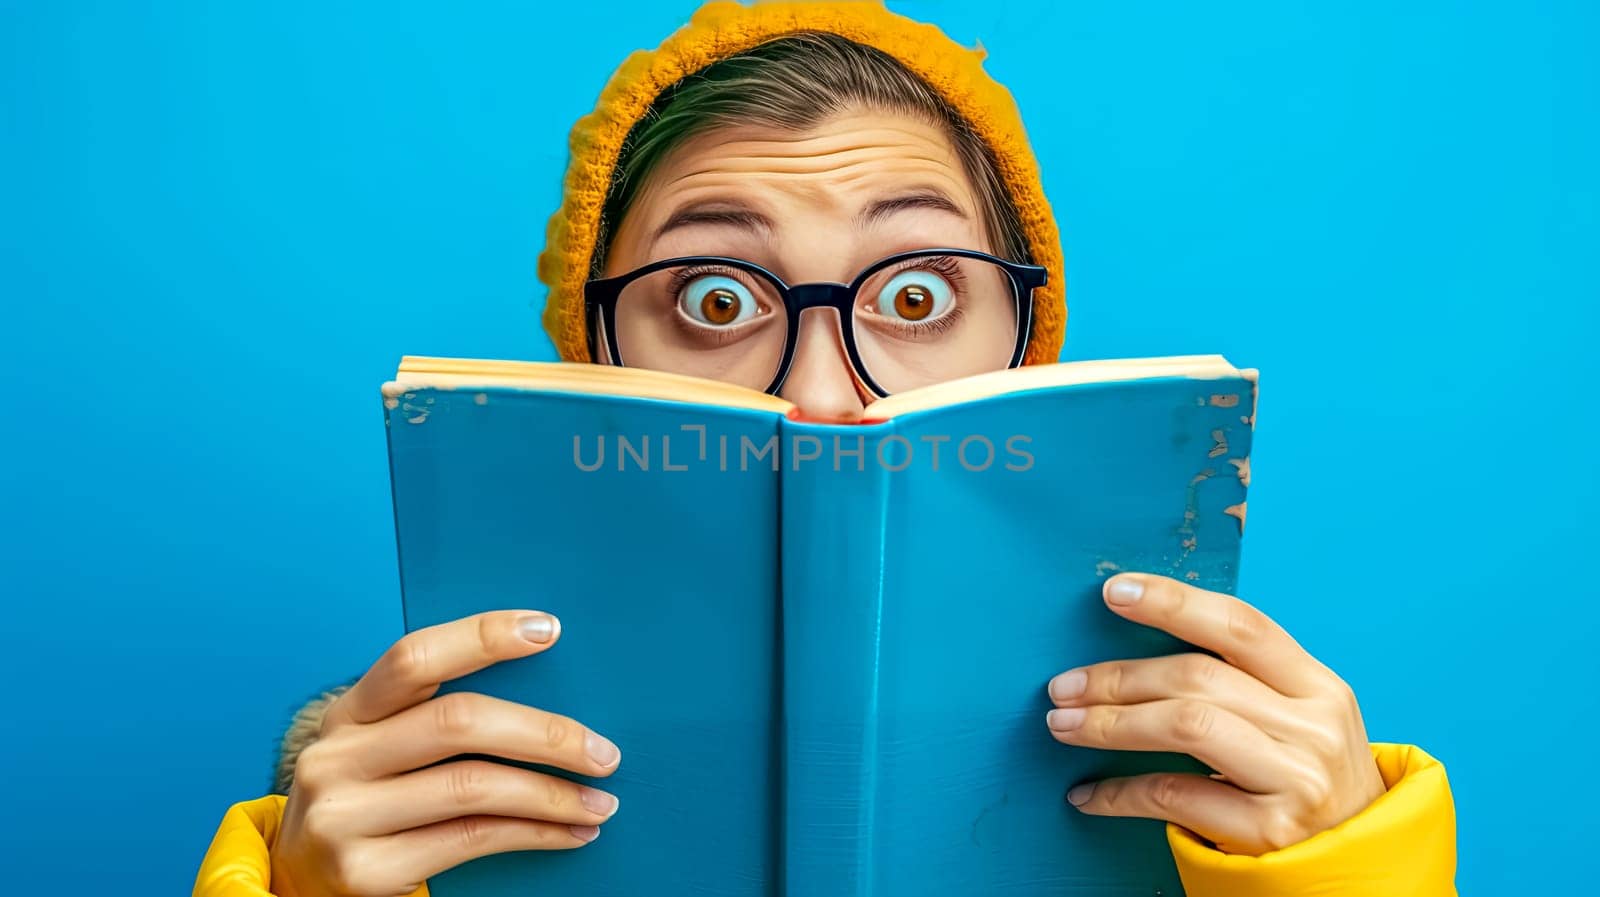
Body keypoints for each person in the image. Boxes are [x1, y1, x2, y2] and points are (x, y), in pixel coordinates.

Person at [193, 3, 1457, 895]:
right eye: (714, 299)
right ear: (593, 356)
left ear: (1025, 341)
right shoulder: (382, 825)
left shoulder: (1255, 805)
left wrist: (1349, 877)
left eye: (914, 297)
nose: (820, 398)